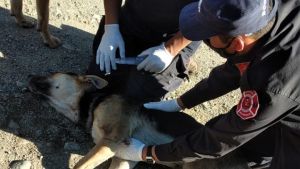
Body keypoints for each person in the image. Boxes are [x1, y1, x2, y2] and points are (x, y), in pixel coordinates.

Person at [113, 0, 300, 168]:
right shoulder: (264, 11)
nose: (204, 40)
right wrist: (182, 102)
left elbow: (223, 138)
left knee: (277, 157)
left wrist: (148, 153)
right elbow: (237, 67)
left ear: (237, 44)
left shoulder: (272, 86)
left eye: (207, 36)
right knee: (247, 146)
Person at [86, 0, 201, 102]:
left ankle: (181, 62)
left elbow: (210, 16)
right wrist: (111, 28)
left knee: (136, 98)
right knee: (98, 81)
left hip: (179, 34)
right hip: (134, 20)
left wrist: (170, 49)